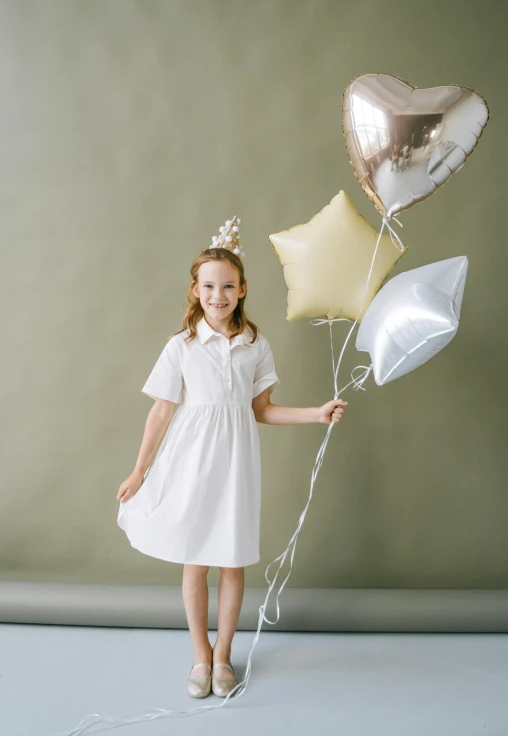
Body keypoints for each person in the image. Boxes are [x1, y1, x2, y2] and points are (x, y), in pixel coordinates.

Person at [116, 223, 348, 700]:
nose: (217, 295)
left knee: (233, 560)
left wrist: (315, 414)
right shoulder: (181, 346)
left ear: (241, 289)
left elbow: (261, 410)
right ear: (195, 291)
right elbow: (161, 410)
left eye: (227, 286)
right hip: (191, 462)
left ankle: (224, 655)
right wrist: (140, 470)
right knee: (196, 561)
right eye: (208, 286)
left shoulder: (255, 346)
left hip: (237, 465)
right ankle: (201, 656)